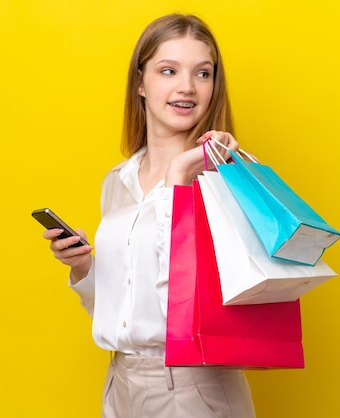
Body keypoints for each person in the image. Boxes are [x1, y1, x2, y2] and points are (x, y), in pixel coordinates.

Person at [42, 13, 256, 418]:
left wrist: (178, 178)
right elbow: (123, 308)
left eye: (203, 73)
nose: (187, 87)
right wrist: (85, 267)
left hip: (195, 387)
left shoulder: (227, 175)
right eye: (168, 70)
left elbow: (191, 304)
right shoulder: (118, 180)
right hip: (121, 383)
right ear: (140, 83)